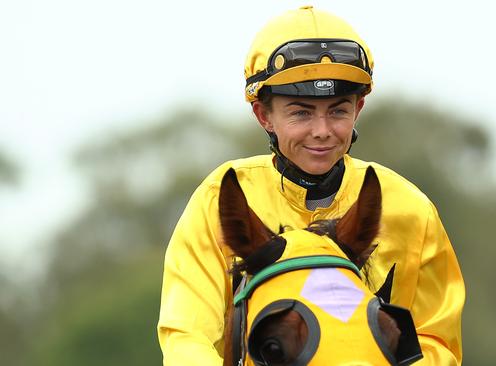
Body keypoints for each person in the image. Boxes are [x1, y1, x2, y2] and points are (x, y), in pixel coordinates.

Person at [157, 5, 465, 365]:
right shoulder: (218, 200)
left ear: (359, 108)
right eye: (301, 112)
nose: (322, 130)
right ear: (264, 115)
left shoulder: (412, 210)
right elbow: (187, 336)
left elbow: (436, 343)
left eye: (338, 110)